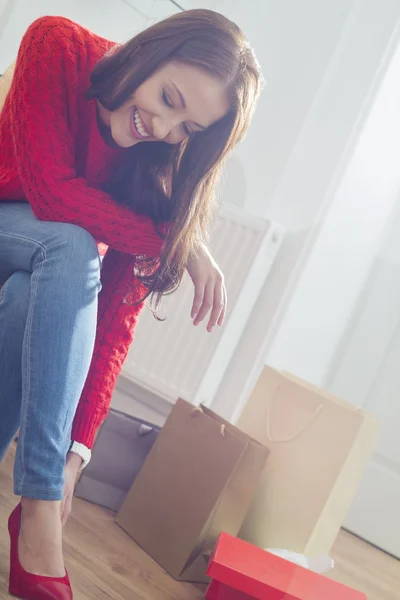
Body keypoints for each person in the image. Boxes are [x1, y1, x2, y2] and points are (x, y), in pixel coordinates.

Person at [0, 9, 262, 600]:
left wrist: (78, 454)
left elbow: (115, 321)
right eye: (169, 97)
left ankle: (41, 497)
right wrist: (178, 244)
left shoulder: (157, 169)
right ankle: (37, 514)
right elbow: (49, 191)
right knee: (70, 243)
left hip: (34, 266)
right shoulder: (57, 46)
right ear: (150, 49)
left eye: (188, 128)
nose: (164, 127)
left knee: (34, 292)